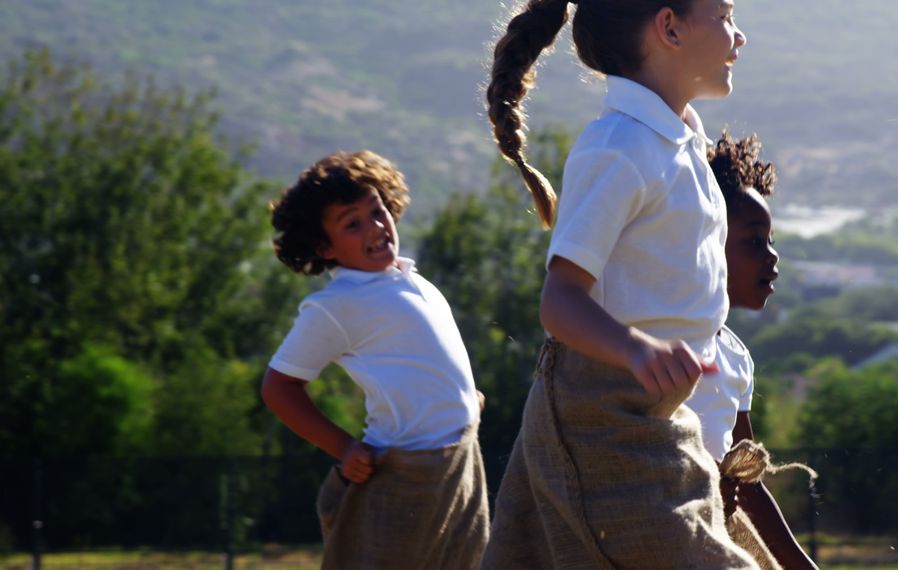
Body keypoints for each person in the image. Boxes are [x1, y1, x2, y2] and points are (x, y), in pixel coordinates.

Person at [481, 0, 758, 567]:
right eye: (725, 13)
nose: (740, 35)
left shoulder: (679, 141)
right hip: (596, 418)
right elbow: (560, 301)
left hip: (659, 419)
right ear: (669, 27)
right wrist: (636, 350)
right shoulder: (619, 146)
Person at [261, 151, 489, 569]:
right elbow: (279, 388)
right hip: (406, 470)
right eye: (353, 223)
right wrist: (344, 447)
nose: (376, 226)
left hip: (461, 463)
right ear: (323, 247)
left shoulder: (413, 279)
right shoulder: (336, 305)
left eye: (377, 210)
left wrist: (462, 401)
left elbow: (424, 361)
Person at [684, 132, 817, 569]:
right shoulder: (662, 344)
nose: (772, 257)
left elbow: (749, 483)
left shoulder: (736, 359)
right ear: (706, 242)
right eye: (754, 241)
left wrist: (802, 565)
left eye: (771, 240)